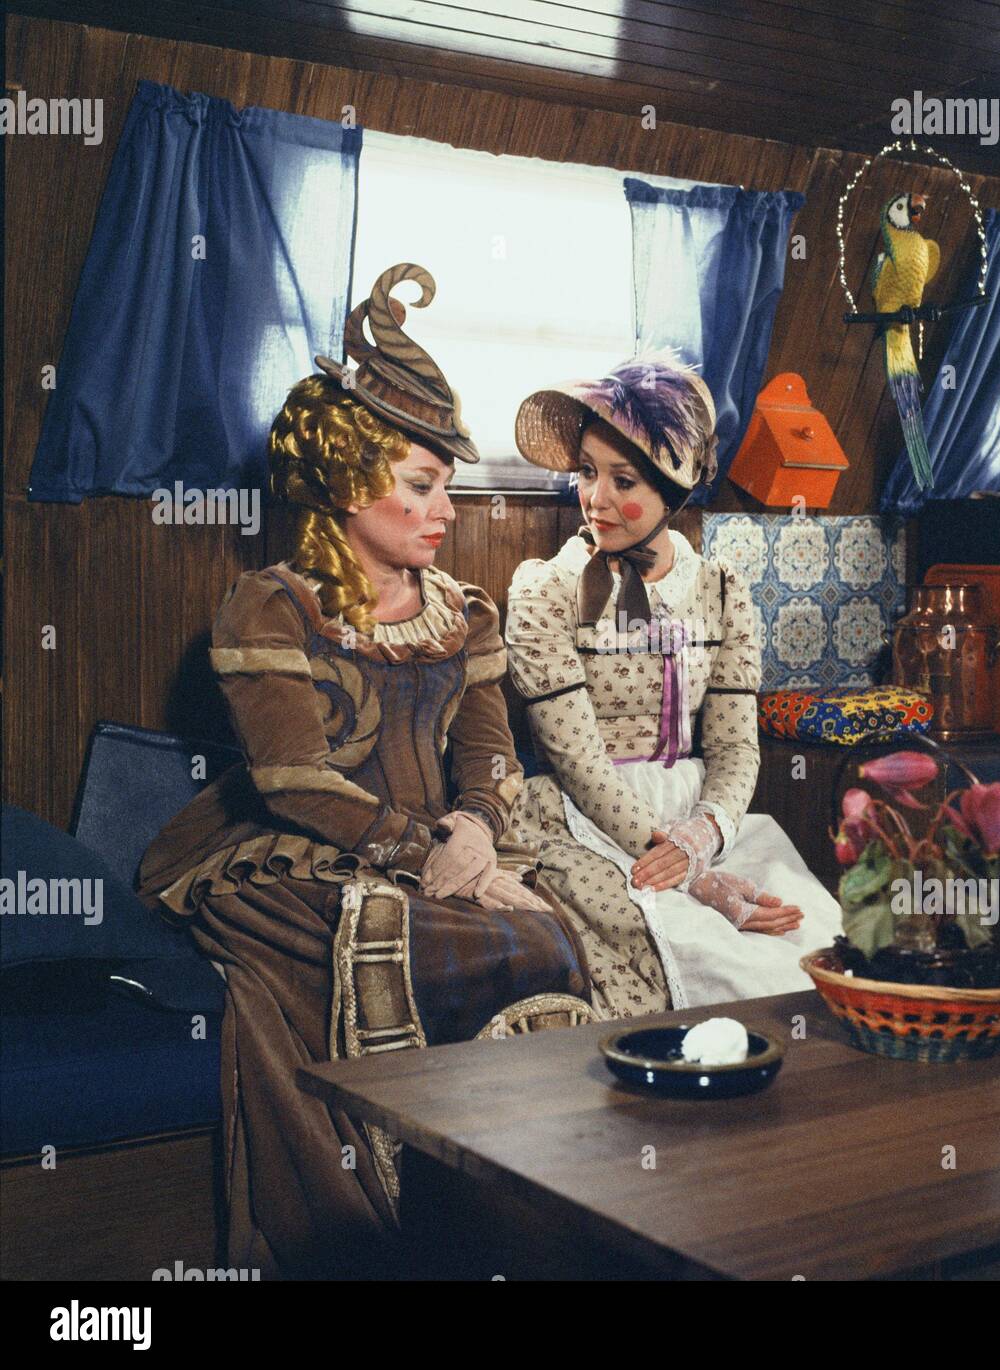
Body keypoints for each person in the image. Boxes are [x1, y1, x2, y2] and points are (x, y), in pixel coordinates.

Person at [136, 263, 588, 1278]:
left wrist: (472, 833)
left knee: (550, 935)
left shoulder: (464, 609)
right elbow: (292, 778)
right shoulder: (272, 606)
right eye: (421, 484)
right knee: (397, 934)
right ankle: (391, 1230)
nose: (445, 510)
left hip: (437, 846)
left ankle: (518, 1224)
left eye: (447, 487)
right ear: (347, 481)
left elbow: (489, 755)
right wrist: (422, 852)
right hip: (287, 856)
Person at [504, 351, 843, 1018]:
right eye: (586, 473)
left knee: (814, 950)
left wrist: (704, 837)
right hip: (585, 820)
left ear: (672, 491)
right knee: (697, 955)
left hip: (703, 820)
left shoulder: (720, 592)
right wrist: (688, 873)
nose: (595, 497)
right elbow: (577, 761)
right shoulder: (546, 590)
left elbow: (736, 747)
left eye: (621, 478)